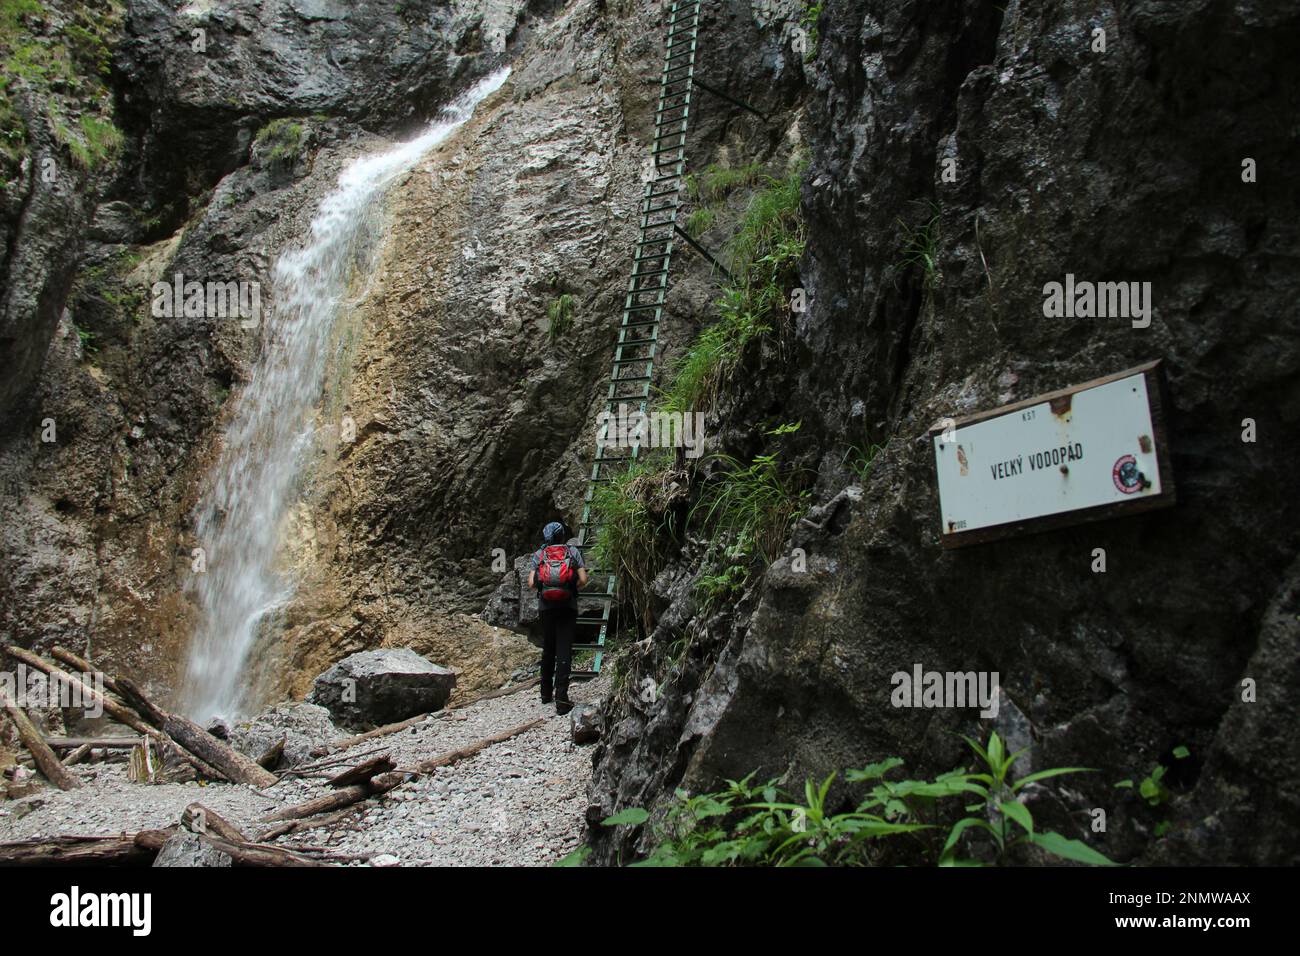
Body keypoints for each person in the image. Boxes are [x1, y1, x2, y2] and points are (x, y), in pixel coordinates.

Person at [527, 520, 589, 714]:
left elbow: (531, 583)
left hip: (546, 607)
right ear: (562, 536)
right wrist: (569, 589)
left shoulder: (540, 554)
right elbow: (584, 580)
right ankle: (562, 698)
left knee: (549, 648)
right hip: (567, 606)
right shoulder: (572, 552)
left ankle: (546, 693)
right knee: (564, 650)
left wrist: (548, 589)